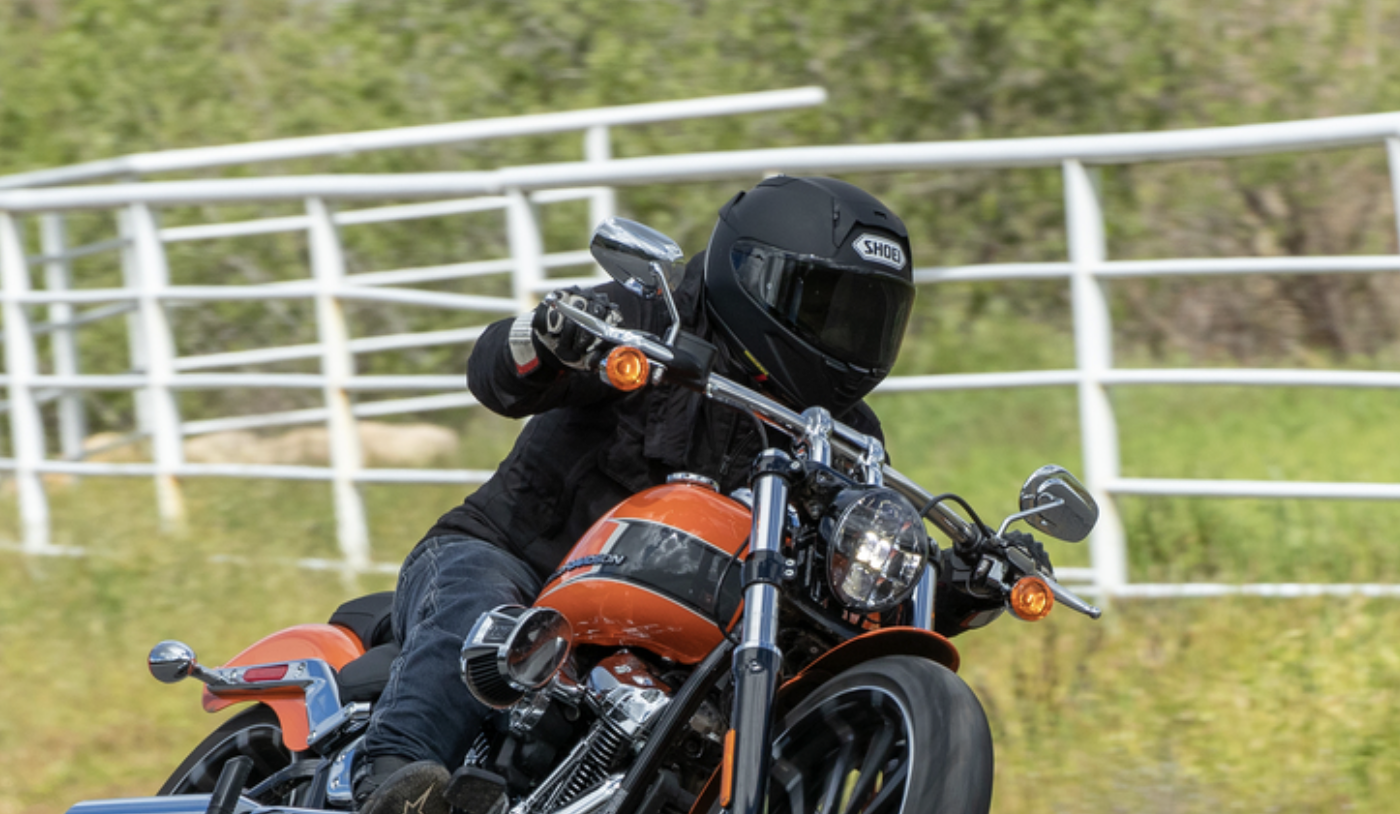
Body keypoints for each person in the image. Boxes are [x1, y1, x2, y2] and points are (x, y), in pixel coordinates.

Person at [352, 175, 923, 814]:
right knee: (479, 608)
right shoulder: (652, 318)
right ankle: (393, 782)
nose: (846, 333)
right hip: (517, 560)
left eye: (866, 317)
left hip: (685, 638)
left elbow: (860, 578)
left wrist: (954, 580)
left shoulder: (846, 438)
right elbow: (494, 374)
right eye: (827, 306)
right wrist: (548, 337)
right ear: (755, 275)